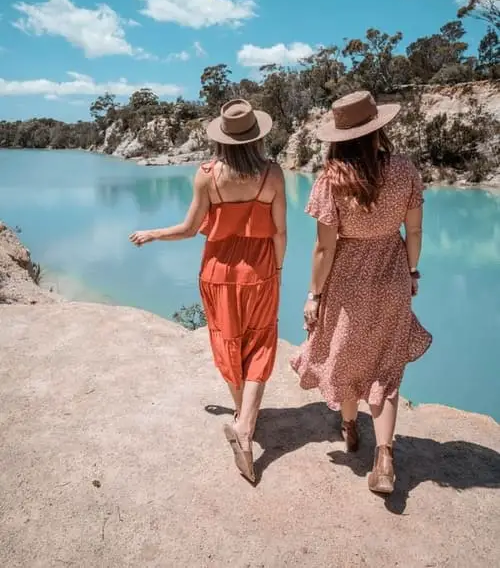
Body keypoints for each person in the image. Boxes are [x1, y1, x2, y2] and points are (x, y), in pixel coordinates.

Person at [130, 99, 287, 483]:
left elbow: (188, 229)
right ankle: (246, 424)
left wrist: (153, 233)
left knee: (228, 340)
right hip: (261, 267)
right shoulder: (272, 174)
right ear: (256, 137)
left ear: (222, 139)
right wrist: (277, 270)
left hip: (217, 271)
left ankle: (241, 419)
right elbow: (280, 231)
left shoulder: (206, 176)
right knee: (261, 341)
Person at [291, 90, 432, 495]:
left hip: (347, 281)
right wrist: (410, 271)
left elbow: (324, 247)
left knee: (346, 356)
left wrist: (313, 295)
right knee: (386, 367)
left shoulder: (331, 180)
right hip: (391, 275)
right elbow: (415, 231)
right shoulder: (405, 170)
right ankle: (384, 455)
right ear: (377, 130)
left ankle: (351, 428)